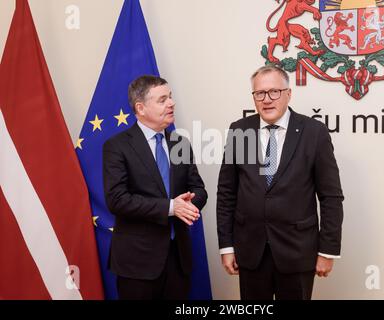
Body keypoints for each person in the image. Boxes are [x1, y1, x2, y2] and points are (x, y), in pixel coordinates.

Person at [216, 66, 344, 300]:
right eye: (259, 93)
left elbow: (331, 197)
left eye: (274, 91)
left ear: (288, 93)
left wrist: (328, 250)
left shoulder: (314, 132)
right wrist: (227, 246)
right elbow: (226, 193)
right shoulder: (239, 130)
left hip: (297, 251)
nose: (267, 99)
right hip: (250, 252)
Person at [103, 75, 207, 300]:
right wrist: (171, 207)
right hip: (137, 263)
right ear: (140, 107)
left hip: (178, 260)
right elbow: (117, 200)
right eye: (162, 100)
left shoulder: (180, 143)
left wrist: (189, 203)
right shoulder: (117, 146)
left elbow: (199, 189)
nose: (171, 103)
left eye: (170, 97)